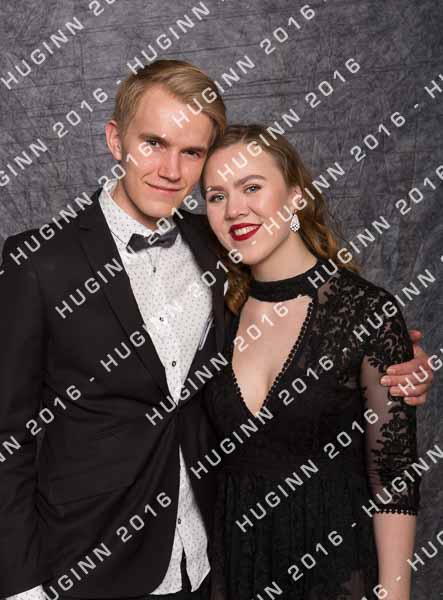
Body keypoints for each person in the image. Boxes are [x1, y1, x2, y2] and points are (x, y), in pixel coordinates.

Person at [0, 61, 433, 600]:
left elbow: (314, 330)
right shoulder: (38, 260)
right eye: (153, 143)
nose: (170, 169)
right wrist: (21, 586)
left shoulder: (219, 246)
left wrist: (392, 369)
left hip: (209, 562)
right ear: (115, 140)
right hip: (86, 565)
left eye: (191, 152)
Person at [201, 124, 425, 600]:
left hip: (338, 576)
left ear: (297, 197)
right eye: (216, 196)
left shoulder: (367, 312)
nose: (234, 209)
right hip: (235, 575)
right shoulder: (212, 314)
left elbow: (394, 479)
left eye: (252, 187)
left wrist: (395, 594)